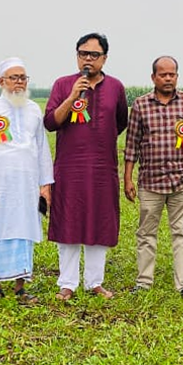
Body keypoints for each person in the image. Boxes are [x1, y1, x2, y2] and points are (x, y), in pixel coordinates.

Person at [44, 33, 128, 300]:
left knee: (99, 222)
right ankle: (67, 283)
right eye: (83, 54)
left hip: (103, 168)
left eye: (94, 55)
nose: (88, 59)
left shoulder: (116, 87)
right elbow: (50, 122)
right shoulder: (63, 84)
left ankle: (95, 282)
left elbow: (120, 122)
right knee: (68, 220)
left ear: (104, 58)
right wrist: (71, 97)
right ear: (77, 55)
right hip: (70, 167)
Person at [0, 58, 53, 303]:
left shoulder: (34, 110)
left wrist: (45, 185)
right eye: (14, 77)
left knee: (24, 230)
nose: (19, 82)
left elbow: (42, 149)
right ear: (1, 81)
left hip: (27, 185)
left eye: (23, 78)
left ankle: (21, 287)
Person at [123, 56, 183, 298]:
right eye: (163, 74)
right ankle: (144, 281)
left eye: (172, 74)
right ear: (153, 77)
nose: (168, 78)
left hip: (182, 181)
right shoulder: (141, 104)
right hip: (150, 182)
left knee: (182, 233)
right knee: (146, 233)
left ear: (177, 76)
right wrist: (127, 178)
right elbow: (132, 144)